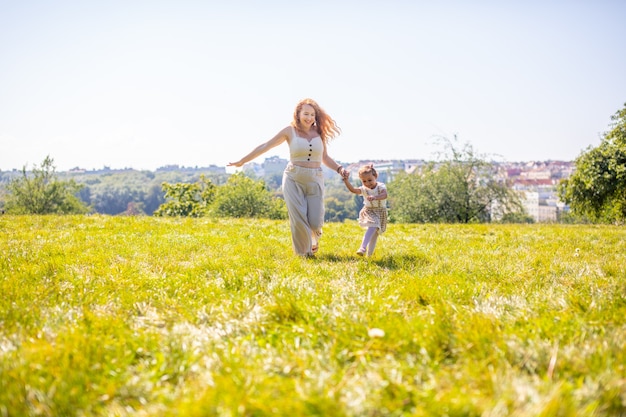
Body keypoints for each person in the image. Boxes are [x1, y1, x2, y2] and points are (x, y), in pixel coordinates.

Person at [228, 98, 346, 257]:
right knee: (298, 218)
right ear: (298, 114)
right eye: (305, 114)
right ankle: (304, 254)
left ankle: (313, 238)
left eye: (312, 114)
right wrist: (243, 161)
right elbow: (265, 146)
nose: (309, 118)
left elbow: (324, 157)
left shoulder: (319, 132)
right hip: (293, 178)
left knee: (315, 222)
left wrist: (339, 168)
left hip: (315, 179)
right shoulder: (289, 131)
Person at [343, 164, 388, 257]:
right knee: (372, 226)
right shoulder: (364, 189)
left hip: (380, 211)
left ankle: (369, 256)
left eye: (370, 180)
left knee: (375, 234)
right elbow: (353, 190)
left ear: (375, 176)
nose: (367, 183)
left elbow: (385, 195)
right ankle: (362, 247)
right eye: (364, 181)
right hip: (369, 211)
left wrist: (375, 197)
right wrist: (346, 181)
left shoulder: (381, 186)